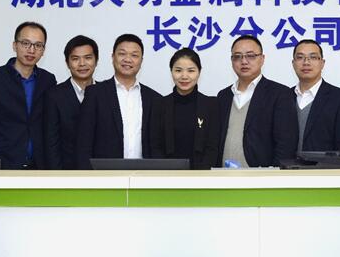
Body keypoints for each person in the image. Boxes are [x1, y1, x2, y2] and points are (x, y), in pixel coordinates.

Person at [0, 21, 56, 169]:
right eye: (25, 43)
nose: (31, 50)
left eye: (38, 45)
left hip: (40, 166)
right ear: (14, 45)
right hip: (2, 165)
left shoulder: (48, 80)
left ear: (43, 50)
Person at [76, 34, 160, 169]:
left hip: (144, 175)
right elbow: (83, 143)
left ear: (141, 61)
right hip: (105, 175)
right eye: (122, 54)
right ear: (112, 57)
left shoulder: (154, 98)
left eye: (134, 55)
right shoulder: (95, 94)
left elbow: (157, 146)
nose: (128, 59)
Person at [217, 35, 298, 167]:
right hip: (224, 174)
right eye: (237, 56)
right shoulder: (223, 96)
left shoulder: (280, 94)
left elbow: (286, 144)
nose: (244, 61)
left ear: (262, 59)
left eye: (251, 56)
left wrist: (272, 174)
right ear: (232, 61)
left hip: (262, 175)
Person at [150, 48, 220, 169]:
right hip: (167, 175)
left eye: (191, 71)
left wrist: (200, 176)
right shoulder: (159, 105)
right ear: (171, 71)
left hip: (202, 175)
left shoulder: (211, 105)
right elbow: (155, 146)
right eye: (178, 70)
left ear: (199, 72)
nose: (184, 76)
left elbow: (212, 148)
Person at [292, 39, 340, 152]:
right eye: (300, 57)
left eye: (313, 57)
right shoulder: (284, 97)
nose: (306, 62)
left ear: (322, 63)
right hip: (286, 163)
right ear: (293, 63)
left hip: (326, 164)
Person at [44, 35, 99, 170]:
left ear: (96, 60)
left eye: (88, 58)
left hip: (99, 172)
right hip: (66, 172)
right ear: (67, 63)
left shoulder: (105, 93)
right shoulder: (54, 95)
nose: (82, 64)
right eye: (75, 59)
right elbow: (51, 143)